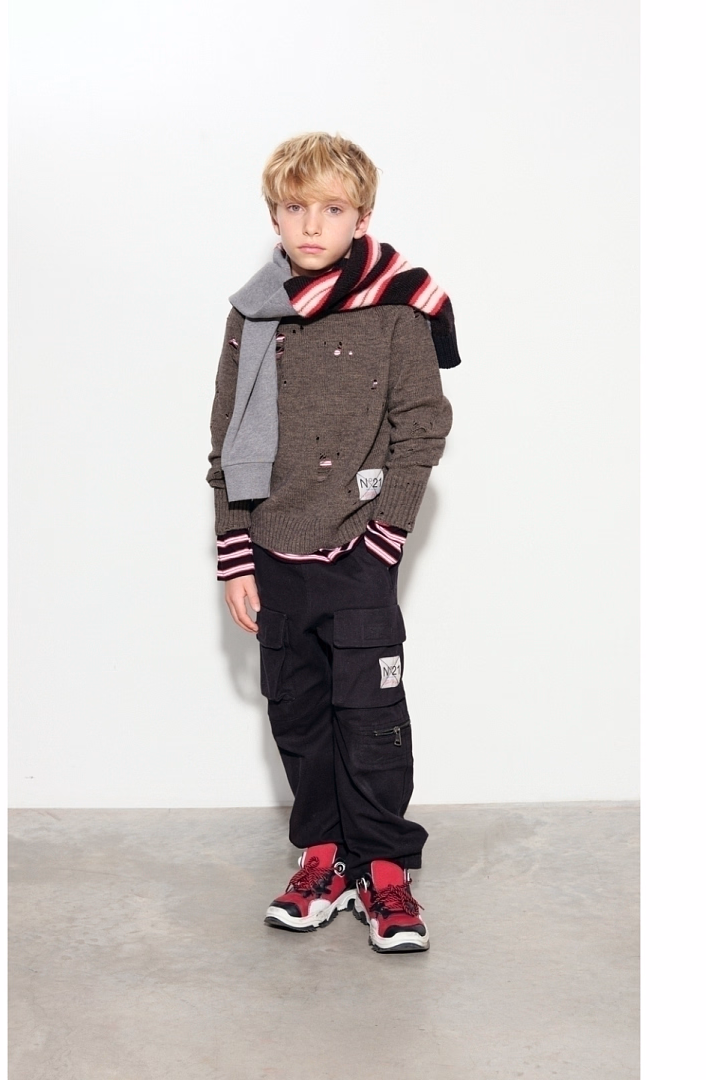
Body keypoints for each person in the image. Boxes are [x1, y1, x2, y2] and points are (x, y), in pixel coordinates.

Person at [207, 132, 460, 953]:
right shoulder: (253, 312)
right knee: (299, 717)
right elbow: (227, 438)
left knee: (372, 718)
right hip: (274, 554)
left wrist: (386, 536)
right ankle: (323, 858)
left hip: (357, 552)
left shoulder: (400, 308)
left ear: (362, 216)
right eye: (294, 207)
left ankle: (383, 868)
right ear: (273, 216)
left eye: (332, 208)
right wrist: (235, 553)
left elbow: (422, 429)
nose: (311, 225)